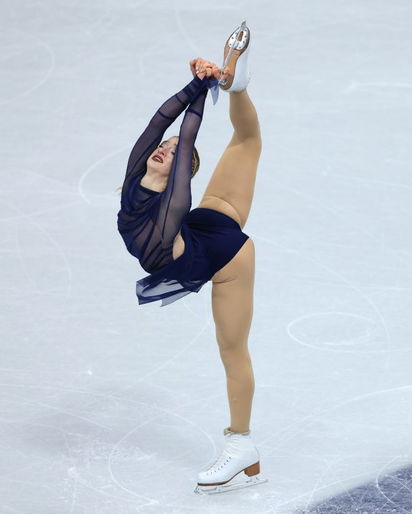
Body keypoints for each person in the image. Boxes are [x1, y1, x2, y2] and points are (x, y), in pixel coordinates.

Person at [116, 21, 264, 494]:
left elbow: (186, 137)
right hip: (206, 223)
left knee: (231, 350)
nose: (164, 150)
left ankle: (241, 445)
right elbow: (161, 121)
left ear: (183, 168)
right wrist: (199, 81)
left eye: (174, 152)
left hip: (225, 257)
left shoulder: (173, 204)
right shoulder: (138, 178)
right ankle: (237, 84)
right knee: (247, 141)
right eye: (163, 148)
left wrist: (204, 91)